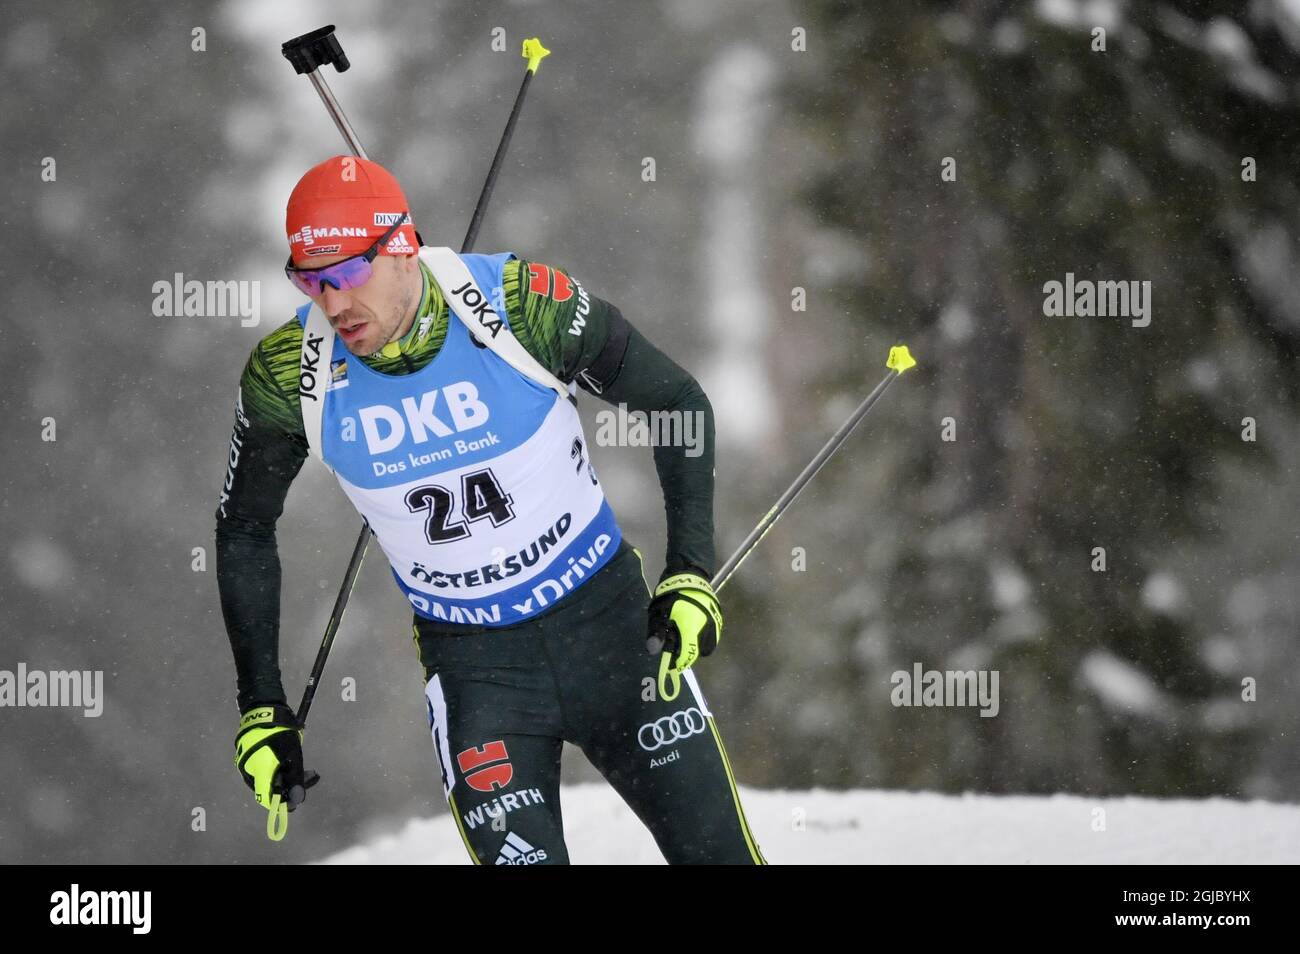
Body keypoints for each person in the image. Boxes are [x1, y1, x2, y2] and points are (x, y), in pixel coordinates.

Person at [215, 155, 766, 864]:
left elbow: (677, 404)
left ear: (403, 248)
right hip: (480, 677)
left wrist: (689, 572)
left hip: (616, 635)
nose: (333, 303)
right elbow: (245, 527)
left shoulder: (520, 305)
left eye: (348, 273)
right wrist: (262, 707)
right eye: (308, 279)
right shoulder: (291, 375)